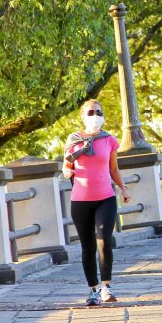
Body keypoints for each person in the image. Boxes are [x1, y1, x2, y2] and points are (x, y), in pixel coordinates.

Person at [62, 99, 131, 306]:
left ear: (103, 115)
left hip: (105, 198)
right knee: (87, 246)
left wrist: (123, 187)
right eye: (90, 112)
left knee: (104, 240)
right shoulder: (73, 139)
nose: (95, 116)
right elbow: (67, 165)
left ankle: (106, 287)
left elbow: (113, 169)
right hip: (81, 200)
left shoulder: (109, 140)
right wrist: (67, 171)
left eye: (98, 112)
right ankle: (92, 290)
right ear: (83, 117)